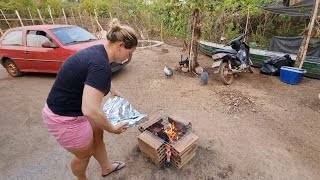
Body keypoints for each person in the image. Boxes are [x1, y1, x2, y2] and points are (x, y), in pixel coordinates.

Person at [42, 19, 138, 180]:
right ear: (120, 45)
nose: (129, 58)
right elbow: (90, 110)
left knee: (97, 133)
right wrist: (112, 128)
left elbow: (92, 75)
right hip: (65, 118)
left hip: (74, 111)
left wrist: (112, 89)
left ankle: (106, 167)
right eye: (130, 53)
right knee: (84, 154)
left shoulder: (99, 52)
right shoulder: (101, 65)